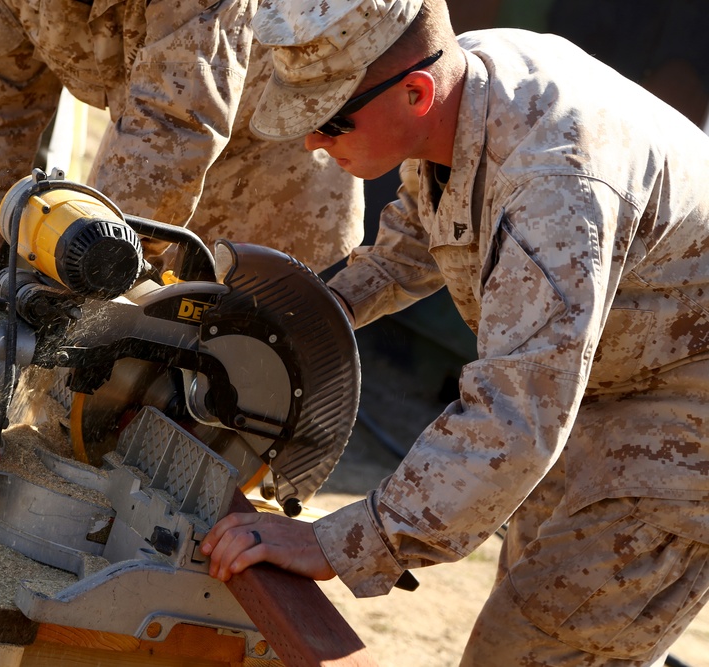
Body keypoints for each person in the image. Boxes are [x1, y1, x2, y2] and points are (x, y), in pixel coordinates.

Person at [200, 0, 709, 664]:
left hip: (687, 420)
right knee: (545, 598)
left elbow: (514, 421)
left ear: (414, 93)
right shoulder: (462, 80)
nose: (312, 143)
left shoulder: (553, 188)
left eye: (329, 119)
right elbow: (411, 245)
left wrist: (340, 541)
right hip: (619, 373)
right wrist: (279, 321)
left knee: (532, 646)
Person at [0, 0, 366, 306]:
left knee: (226, 390)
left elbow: (174, 128)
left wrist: (74, 290)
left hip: (276, 168)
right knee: (75, 390)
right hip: (143, 136)